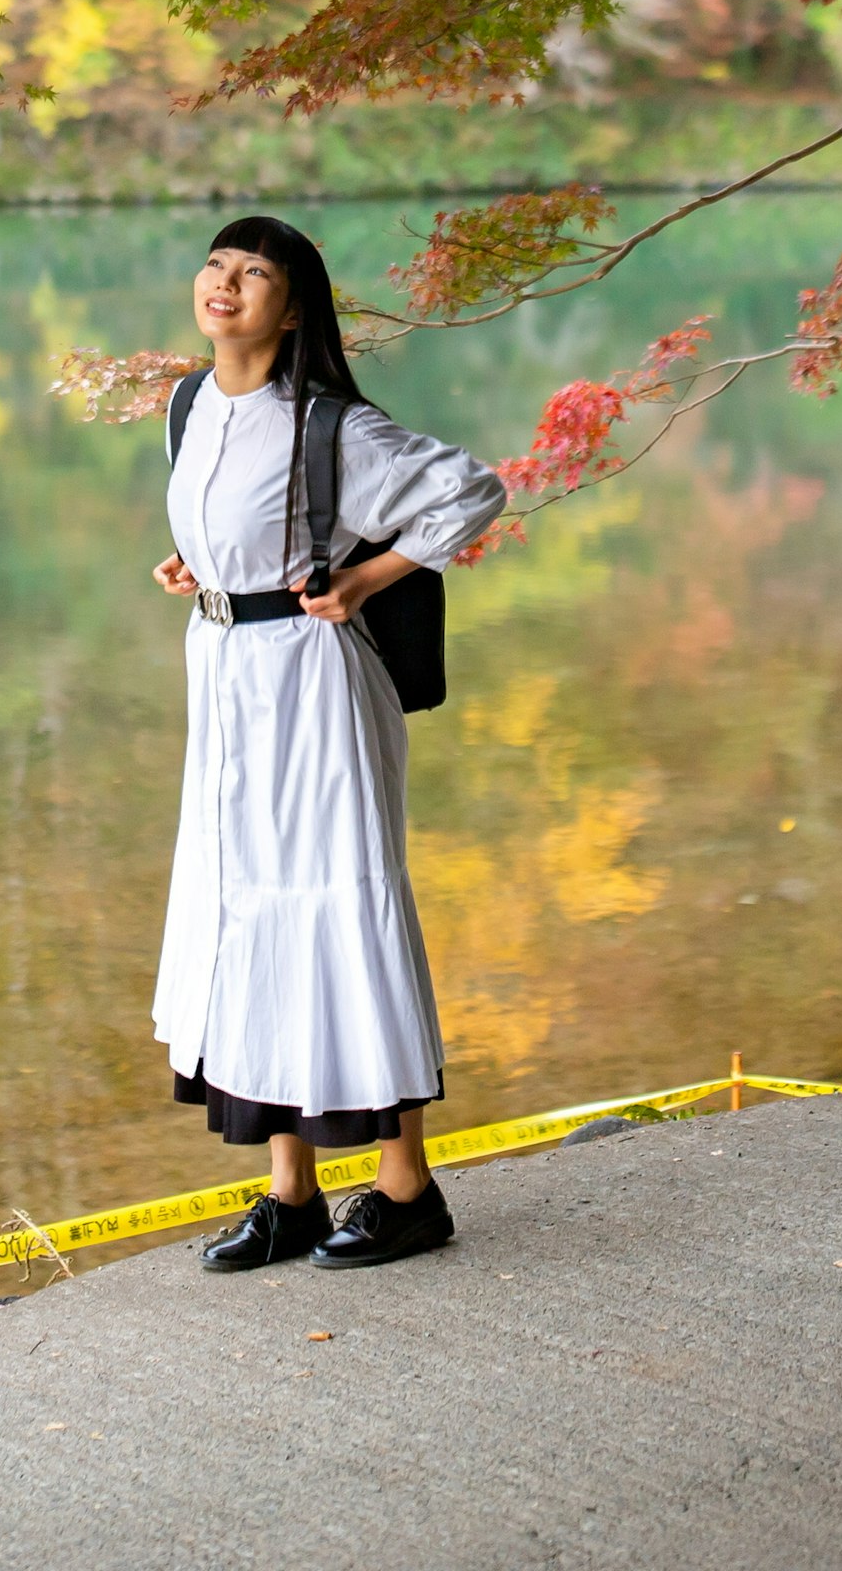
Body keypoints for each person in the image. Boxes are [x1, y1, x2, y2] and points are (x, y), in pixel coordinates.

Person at [150, 215, 507, 1272]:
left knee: (334, 906)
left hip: (312, 688)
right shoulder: (188, 403)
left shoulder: (329, 424)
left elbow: (471, 489)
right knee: (246, 906)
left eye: (255, 272)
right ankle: (292, 1193)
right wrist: (197, 564)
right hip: (223, 680)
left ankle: (406, 1190)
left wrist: (360, 579)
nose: (226, 284)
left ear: (294, 306)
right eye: (216, 265)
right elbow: (240, 519)